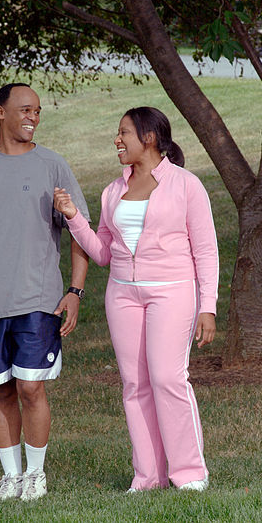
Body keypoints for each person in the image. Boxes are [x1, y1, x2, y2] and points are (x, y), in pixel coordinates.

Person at [53, 106, 218, 492]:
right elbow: (103, 253)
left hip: (173, 291)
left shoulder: (186, 185)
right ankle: (147, 476)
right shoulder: (113, 191)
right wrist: (75, 217)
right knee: (134, 384)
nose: (117, 140)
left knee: (167, 378)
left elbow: (206, 251)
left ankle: (190, 473)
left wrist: (206, 307)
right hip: (123, 294)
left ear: (149, 138)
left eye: (124, 132)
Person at [0, 82, 90, 501]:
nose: (33, 116)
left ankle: (36, 476)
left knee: (31, 387)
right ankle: (11, 477)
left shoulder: (52, 166)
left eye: (38, 111)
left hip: (38, 299)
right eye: (25, 109)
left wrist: (75, 290)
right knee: (1, 388)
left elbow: (79, 232)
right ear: (0, 111)